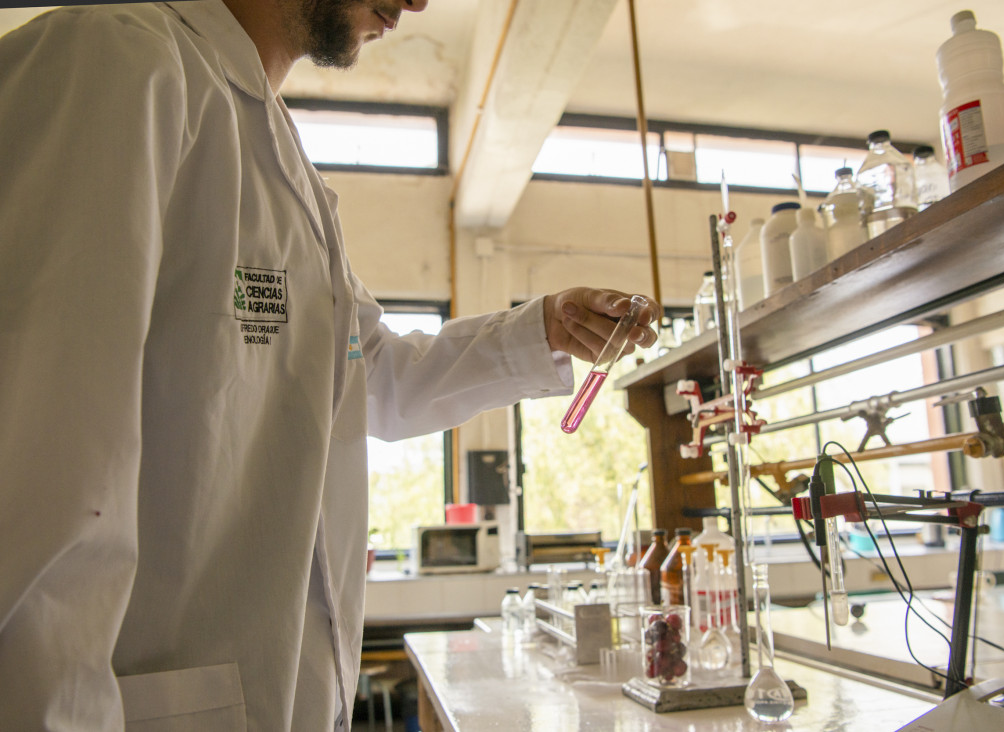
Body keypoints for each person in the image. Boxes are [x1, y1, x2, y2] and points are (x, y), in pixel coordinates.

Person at [0, 0, 659, 729]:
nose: (417, 2)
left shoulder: (280, 155)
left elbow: (368, 379)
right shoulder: (115, 62)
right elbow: (34, 470)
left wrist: (542, 329)